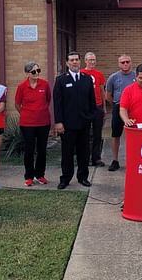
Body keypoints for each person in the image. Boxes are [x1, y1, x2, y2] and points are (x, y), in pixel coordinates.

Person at [53, 51, 96, 189]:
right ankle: (65, 178)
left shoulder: (87, 79)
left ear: (80, 61)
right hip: (67, 125)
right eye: (71, 60)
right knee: (67, 153)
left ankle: (83, 177)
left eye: (76, 59)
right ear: (67, 63)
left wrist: (90, 117)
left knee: (84, 152)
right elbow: (57, 103)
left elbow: (92, 102)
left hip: (84, 123)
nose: (75, 62)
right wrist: (59, 122)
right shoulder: (61, 80)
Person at [15, 61, 52, 187]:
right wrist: (27, 113)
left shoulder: (45, 84)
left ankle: (40, 174)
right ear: (27, 73)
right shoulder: (22, 86)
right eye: (33, 71)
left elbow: (48, 99)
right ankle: (29, 176)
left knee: (42, 150)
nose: (36, 73)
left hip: (43, 122)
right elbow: (17, 104)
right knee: (29, 150)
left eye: (38, 71)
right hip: (27, 124)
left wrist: (39, 111)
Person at [105, 54, 136, 172]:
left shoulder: (136, 76)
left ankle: (133, 160)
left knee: (133, 135)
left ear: (131, 62)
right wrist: (116, 106)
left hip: (133, 109)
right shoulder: (113, 77)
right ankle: (115, 160)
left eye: (127, 62)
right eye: (122, 62)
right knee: (115, 134)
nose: (125, 64)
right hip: (118, 107)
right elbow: (108, 95)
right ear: (118, 64)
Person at [81, 52, 107, 167]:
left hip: (98, 106)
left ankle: (96, 158)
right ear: (85, 61)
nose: (92, 62)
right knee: (85, 134)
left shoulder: (99, 74)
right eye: (90, 60)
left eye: (94, 60)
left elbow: (102, 91)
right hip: (85, 107)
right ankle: (84, 158)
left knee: (97, 134)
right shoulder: (81, 73)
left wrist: (104, 108)